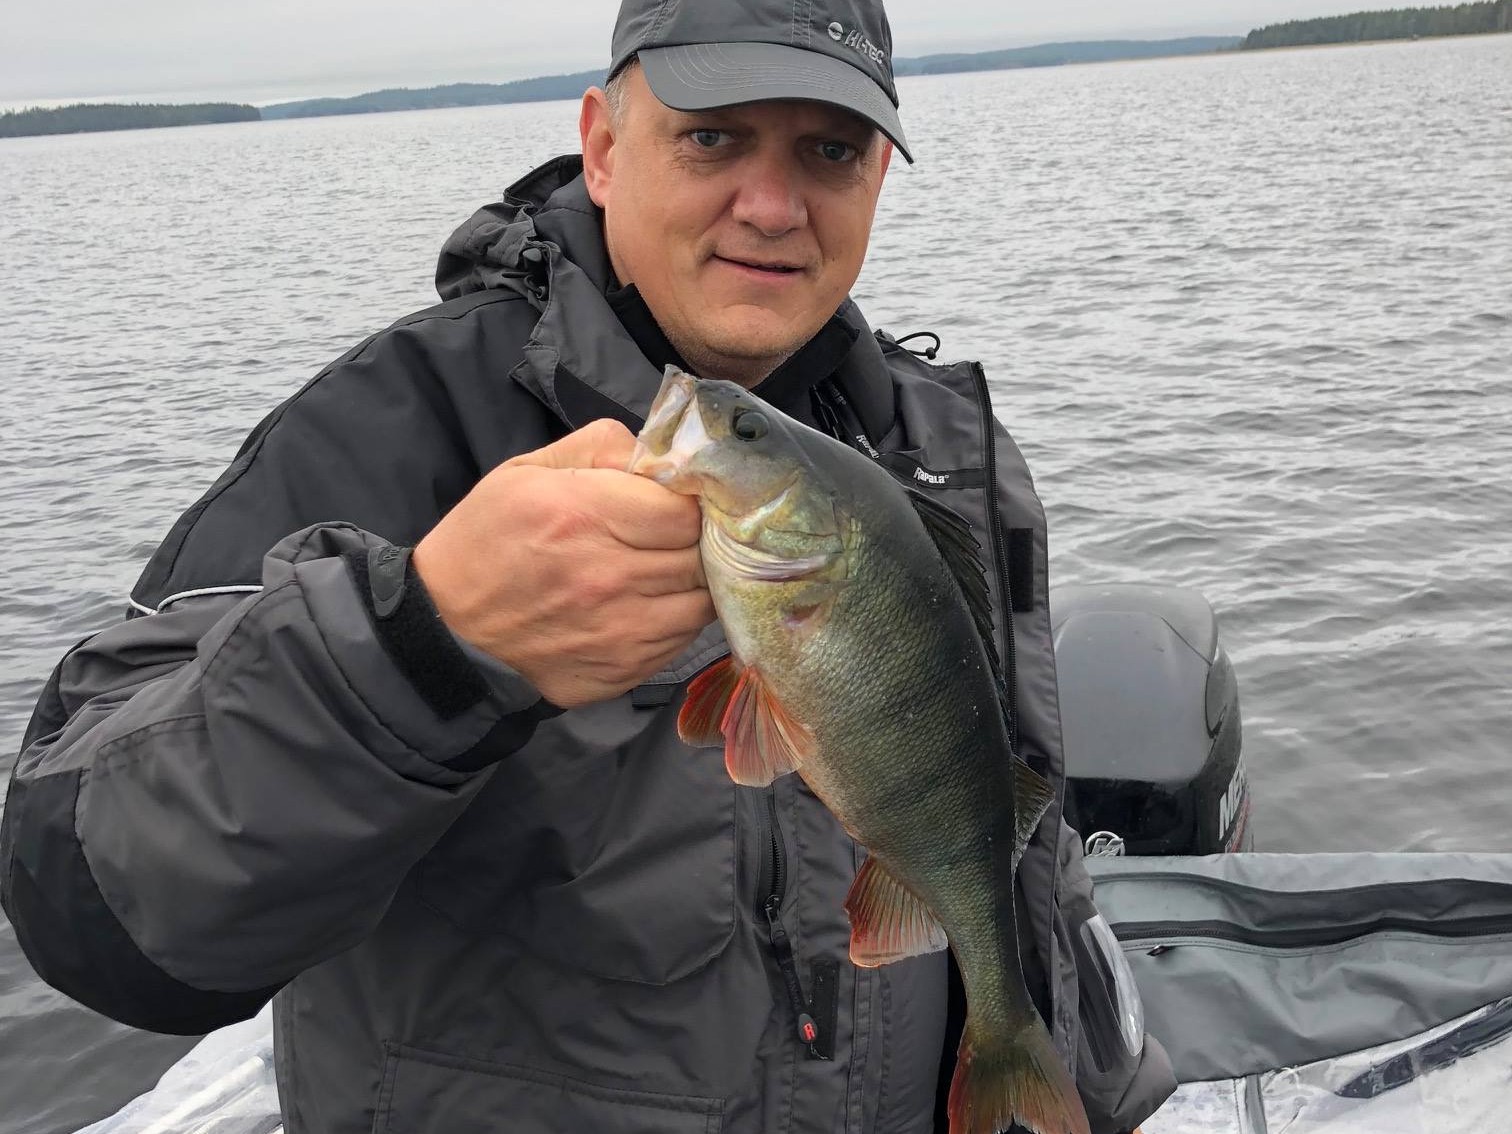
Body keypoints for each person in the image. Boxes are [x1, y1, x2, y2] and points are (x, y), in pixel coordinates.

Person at [0, 1, 1175, 1131]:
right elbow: (90, 909)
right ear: (604, 149)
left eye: (830, 150)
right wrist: (425, 647)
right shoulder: (392, 429)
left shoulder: (938, 444)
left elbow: (1007, 849)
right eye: (712, 137)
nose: (772, 206)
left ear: (876, 177)